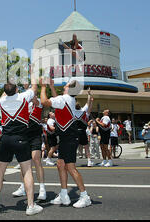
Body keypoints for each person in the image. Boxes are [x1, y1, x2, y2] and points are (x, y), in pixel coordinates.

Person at [0, 82, 43, 216]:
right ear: (16, 89)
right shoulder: (23, 97)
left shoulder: (1, 101)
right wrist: (34, 79)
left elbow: (5, 92)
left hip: (6, 139)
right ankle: (30, 205)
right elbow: (34, 88)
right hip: (21, 138)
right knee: (27, 171)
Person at [41, 79, 91, 208]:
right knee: (60, 164)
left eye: (67, 85)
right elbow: (58, 100)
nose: (65, 86)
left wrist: (43, 87)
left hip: (69, 137)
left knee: (70, 167)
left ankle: (85, 196)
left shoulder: (64, 99)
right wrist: (52, 87)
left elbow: (44, 102)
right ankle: (64, 194)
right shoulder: (67, 99)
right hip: (66, 136)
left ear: (70, 89)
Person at [12, 95, 47, 201]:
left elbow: (35, 100)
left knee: (36, 159)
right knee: (24, 163)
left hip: (35, 136)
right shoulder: (23, 104)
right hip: (24, 136)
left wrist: (32, 92)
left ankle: (42, 189)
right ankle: (23, 187)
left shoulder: (38, 103)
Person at [73, 89, 94, 167]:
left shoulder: (73, 112)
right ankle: (89, 161)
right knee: (86, 147)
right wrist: (89, 94)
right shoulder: (83, 111)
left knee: (74, 147)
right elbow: (88, 103)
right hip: (82, 132)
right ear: (80, 106)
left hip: (75, 132)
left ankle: (73, 162)